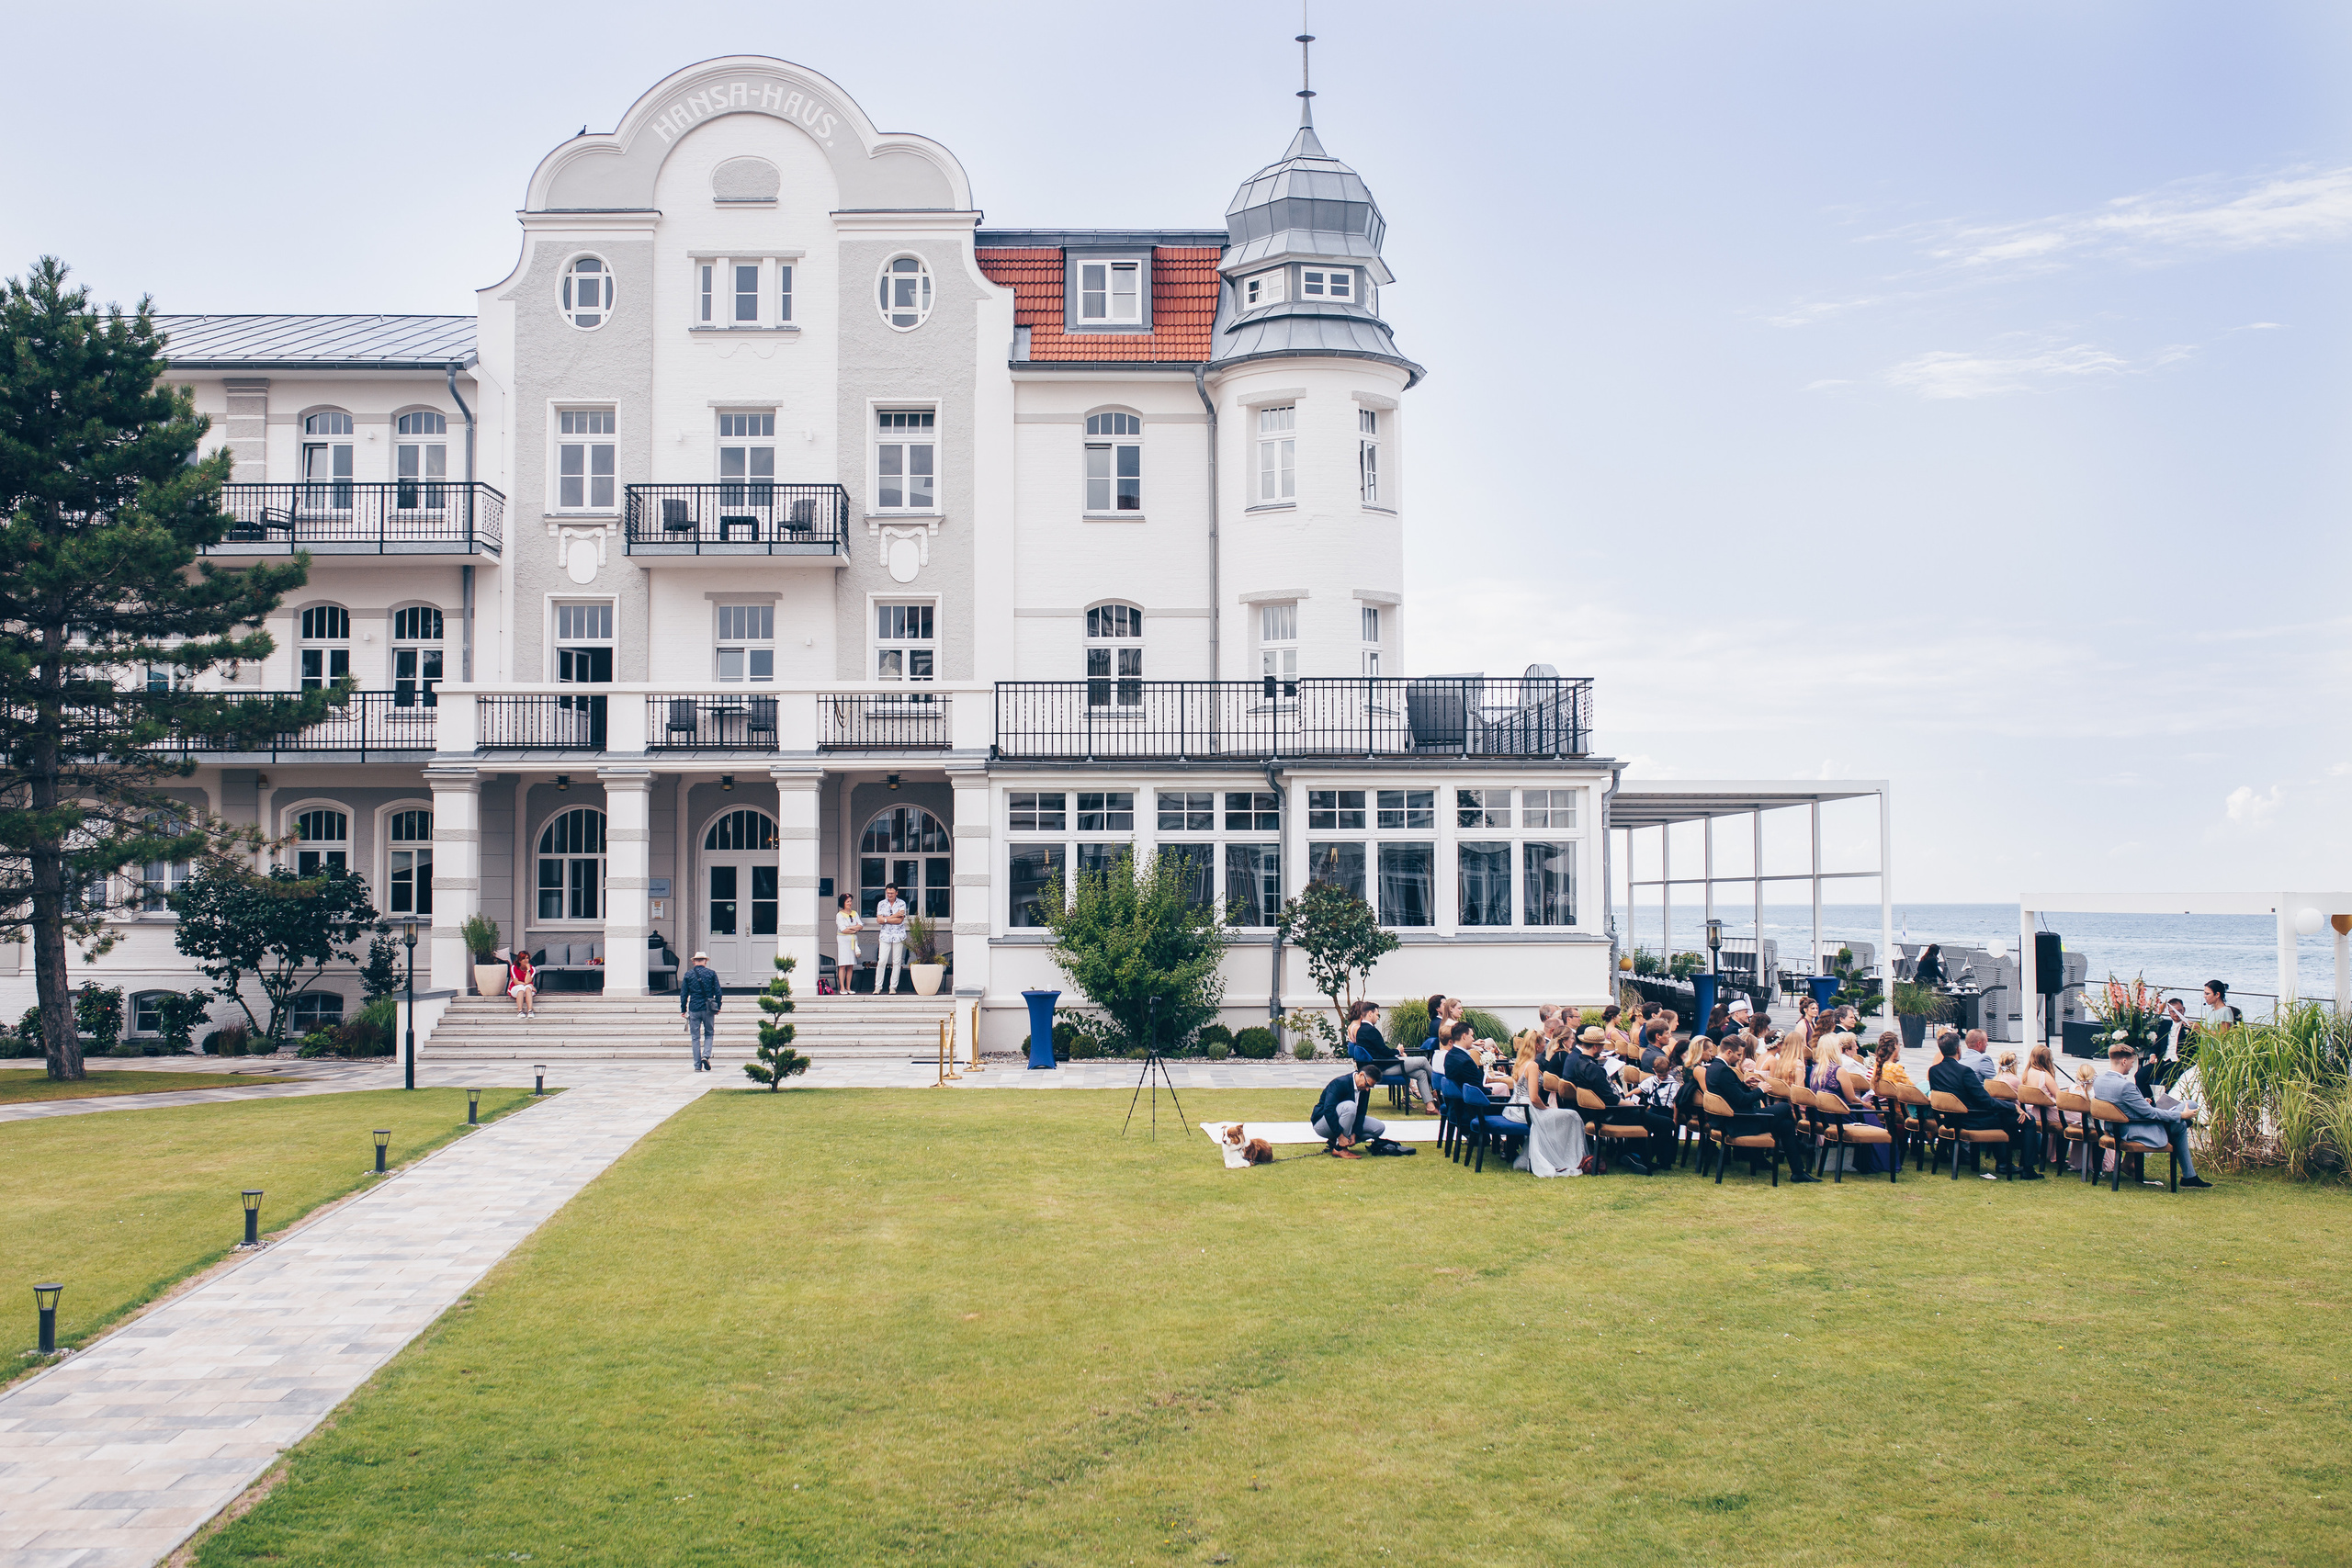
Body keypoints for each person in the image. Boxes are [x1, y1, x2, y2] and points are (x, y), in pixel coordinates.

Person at [1562, 1024, 1677, 1173]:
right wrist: (1629, 1103)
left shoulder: (1580, 1063)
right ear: (1595, 1046)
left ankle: (1636, 1154)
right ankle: (1642, 1157)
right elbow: (1611, 1099)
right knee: (1668, 1123)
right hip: (1612, 1113)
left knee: (1653, 1119)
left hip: (1599, 1112)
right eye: (1601, 1046)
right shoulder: (1593, 1069)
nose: (1603, 1049)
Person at [2093, 1043, 2211, 1187]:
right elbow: (2150, 1114)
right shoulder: (2126, 1086)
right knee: (2189, 1106)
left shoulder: (2099, 1081)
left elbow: (2118, 1106)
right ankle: (2189, 1176)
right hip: (2133, 1130)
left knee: (2180, 1125)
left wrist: (2142, 1102)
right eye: (2131, 1062)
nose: (2132, 1066)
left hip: (2114, 1128)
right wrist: (2181, 1115)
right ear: (2124, 1061)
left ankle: (2190, 1176)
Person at [1927, 1032, 2040, 1179]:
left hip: (1950, 1119)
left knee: (2003, 1116)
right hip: (1971, 1118)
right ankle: (2027, 1169)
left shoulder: (1934, 1071)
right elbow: (1986, 1101)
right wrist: (2013, 1107)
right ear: (1958, 1049)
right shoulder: (1964, 1072)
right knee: (2028, 1120)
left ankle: (2004, 1163)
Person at [1703, 1039, 1817, 1179]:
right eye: (1738, 1055)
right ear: (1729, 1052)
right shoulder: (1723, 1071)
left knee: (1786, 1124)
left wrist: (1744, 1085)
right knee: (1785, 1107)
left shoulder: (1714, 1068)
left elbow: (1731, 1093)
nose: (1739, 1058)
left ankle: (1798, 1172)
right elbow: (1741, 1100)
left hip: (1731, 1119)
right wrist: (1761, 1090)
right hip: (1738, 1121)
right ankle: (1798, 1148)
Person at [1508, 1032, 1588, 1177]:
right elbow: (1533, 1097)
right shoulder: (1532, 1065)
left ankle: (1563, 1154)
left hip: (1516, 1106)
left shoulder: (1521, 1062)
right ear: (1537, 1045)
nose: (1546, 1045)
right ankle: (1567, 1157)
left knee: (1567, 1115)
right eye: (1543, 1043)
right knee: (1573, 1115)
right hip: (1528, 1108)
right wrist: (1545, 1108)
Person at [1311, 1066, 1382, 1155]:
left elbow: (1361, 1113)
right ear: (1361, 1075)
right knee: (1350, 1106)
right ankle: (1340, 1148)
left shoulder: (1364, 1090)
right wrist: (1340, 1136)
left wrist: (1355, 1134)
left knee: (1379, 1128)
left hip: (1344, 1123)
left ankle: (1337, 1141)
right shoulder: (1340, 1083)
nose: (1367, 1089)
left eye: (1370, 1087)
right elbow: (1328, 1110)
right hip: (1322, 1123)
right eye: (1367, 1084)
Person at [679, 949, 722, 1072]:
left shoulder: (688, 975)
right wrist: (718, 1006)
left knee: (695, 1037)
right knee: (709, 1033)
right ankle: (705, 1055)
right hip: (708, 1008)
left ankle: (697, 1066)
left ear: (694, 962)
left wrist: (683, 1009)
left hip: (694, 1007)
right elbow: (718, 992)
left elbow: (683, 994)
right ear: (705, 961)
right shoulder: (711, 974)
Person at [874, 883, 910, 995]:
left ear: (896, 893)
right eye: (888, 893)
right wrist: (894, 916)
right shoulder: (881, 904)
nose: (890, 895)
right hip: (885, 935)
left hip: (898, 935)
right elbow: (879, 920)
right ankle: (878, 986)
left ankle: (893, 987)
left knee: (897, 961)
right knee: (882, 961)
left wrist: (885, 919)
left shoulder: (901, 903)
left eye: (892, 893)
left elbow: (900, 920)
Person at [833, 893, 864, 995]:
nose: (850, 903)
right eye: (847, 902)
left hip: (853, 940)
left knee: (850, 965)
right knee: (843, 964)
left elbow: (860, 925)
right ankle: (842, 988)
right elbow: (843, 929)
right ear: (843, 903)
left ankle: (848, 987)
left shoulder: (854, 913)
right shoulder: (839, 915)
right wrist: (854, 929)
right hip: (843, 941)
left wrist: (850, 928)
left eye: (850, 901)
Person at [506, 949, 538, 1020]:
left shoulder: (532, 969)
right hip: (515, 989)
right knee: (521, 987)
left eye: (527, 958)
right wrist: (530, 985)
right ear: (519, 960)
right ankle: (520, 1011)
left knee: (527, 987)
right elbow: (516, 982)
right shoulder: (513, 967)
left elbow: (527, 981)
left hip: (528, 991)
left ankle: (530, 1011)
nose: (526, 960)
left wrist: (528, 970)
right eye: (523, 958)